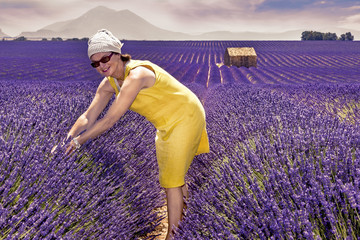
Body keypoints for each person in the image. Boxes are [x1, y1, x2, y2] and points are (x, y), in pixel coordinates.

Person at [63, 29, 209, 239]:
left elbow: (111, 119)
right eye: (95, 63)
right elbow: (89, 116)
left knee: (171, 180)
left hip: (186, 116)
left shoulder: (137, 74)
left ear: (117, 53)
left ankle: (173, 235)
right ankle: (186, 223)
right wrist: (66, 140)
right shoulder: (108, 83)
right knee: (172, 174)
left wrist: (80, 141)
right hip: (165, 124)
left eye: (105, 58)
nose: (102, 66)